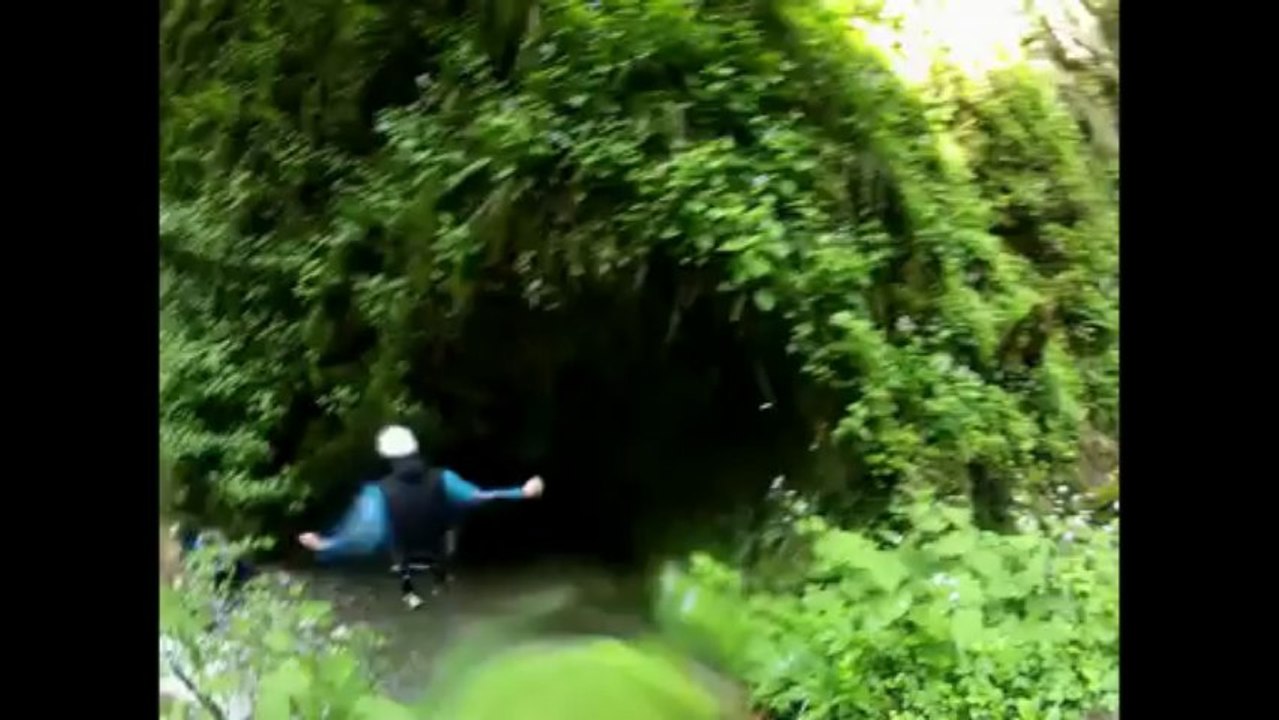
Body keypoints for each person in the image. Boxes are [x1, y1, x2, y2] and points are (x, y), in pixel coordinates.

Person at [298, 424, 545, 609]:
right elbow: (479, 497)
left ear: (386, 456)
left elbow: (362, 537)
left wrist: (325, 545)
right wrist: (521, 492)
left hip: (402, 571)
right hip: (440, 563)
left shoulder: (376, 493)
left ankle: (412, 596)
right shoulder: (444, 478)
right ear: (415, 449)